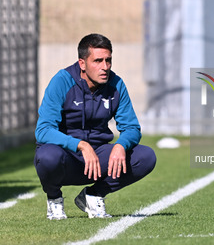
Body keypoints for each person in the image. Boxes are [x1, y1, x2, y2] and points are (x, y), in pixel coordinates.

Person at [34, 33, 156, 220]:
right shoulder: (61, 81)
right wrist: (80, 145)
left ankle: (93, 196)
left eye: (108, 60)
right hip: (67, 158)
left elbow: (132, 127)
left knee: (145, 157)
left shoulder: (116, 84)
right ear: (82, 64)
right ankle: (54, 200)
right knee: (47, 156)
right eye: (98, 61)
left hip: (99, 160)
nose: (105, 67)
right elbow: (43, 130)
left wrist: (120, 145)